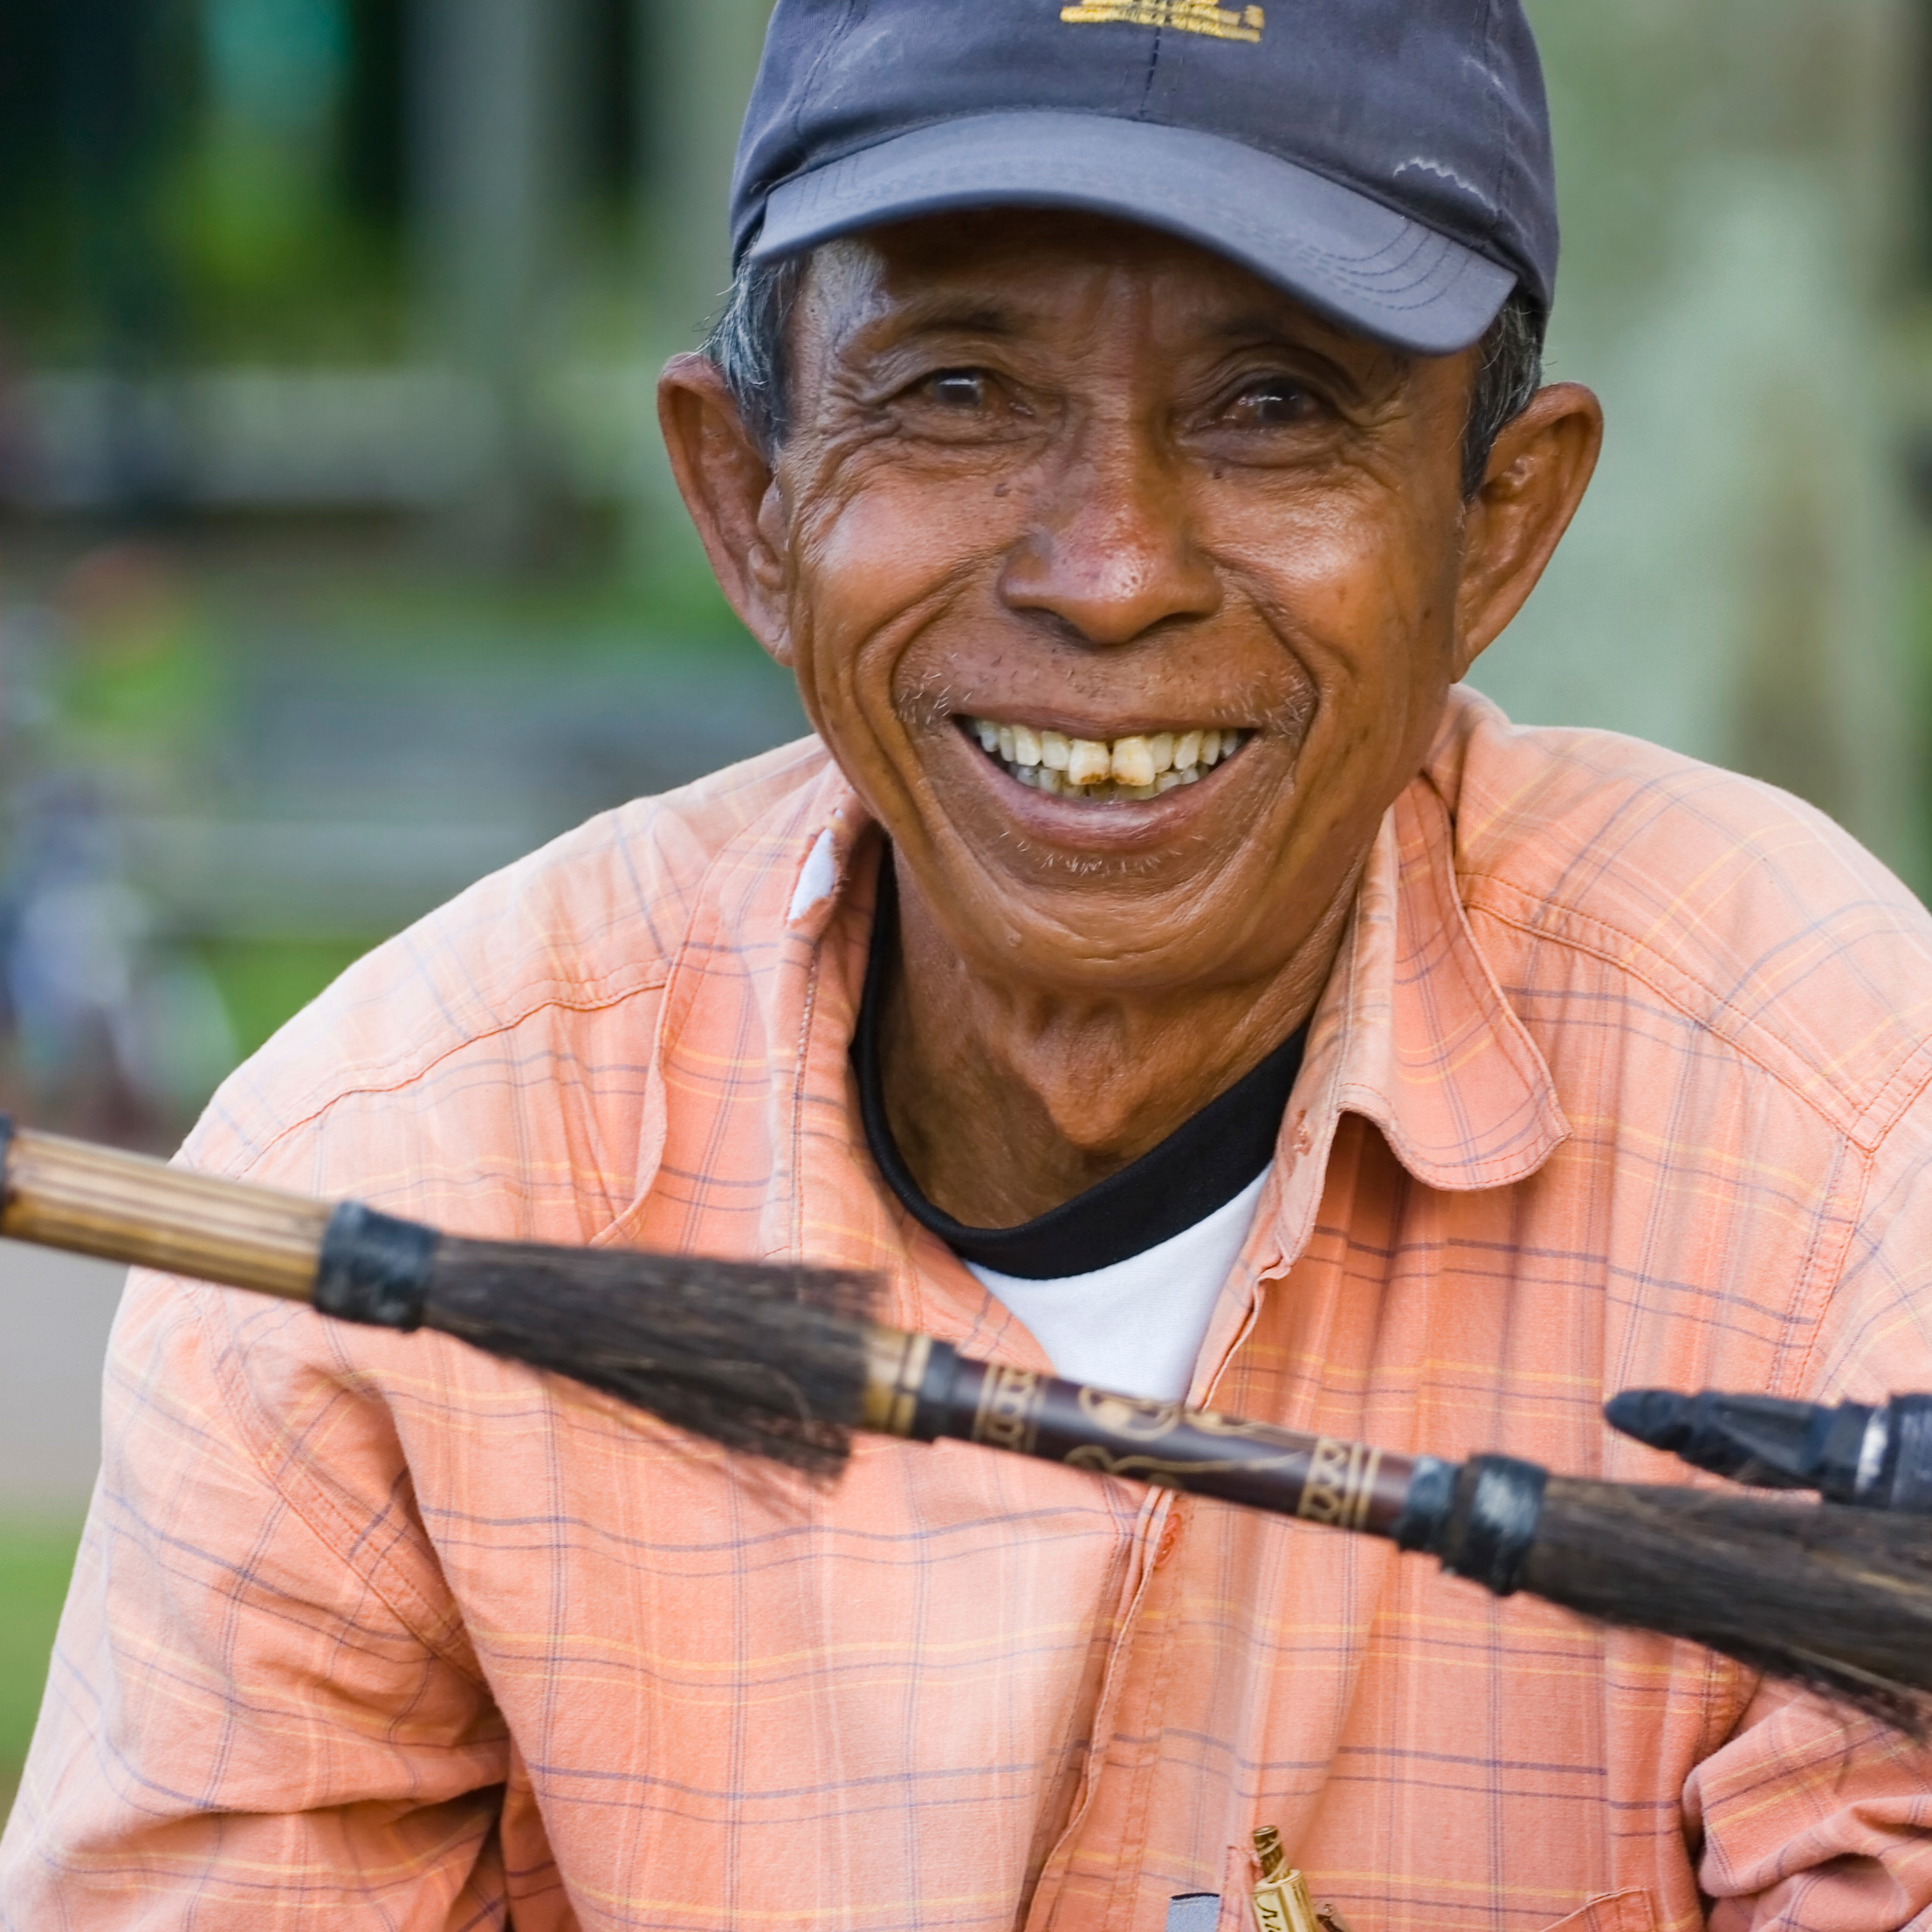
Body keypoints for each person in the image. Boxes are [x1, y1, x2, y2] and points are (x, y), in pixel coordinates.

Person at [5, 1, 1932, 1926]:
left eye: (1271, 403)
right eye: (955, 392)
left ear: (1496, 523)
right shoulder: (390, 1163)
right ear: (750, 498)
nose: (1108, 572)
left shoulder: (1838, 1121)